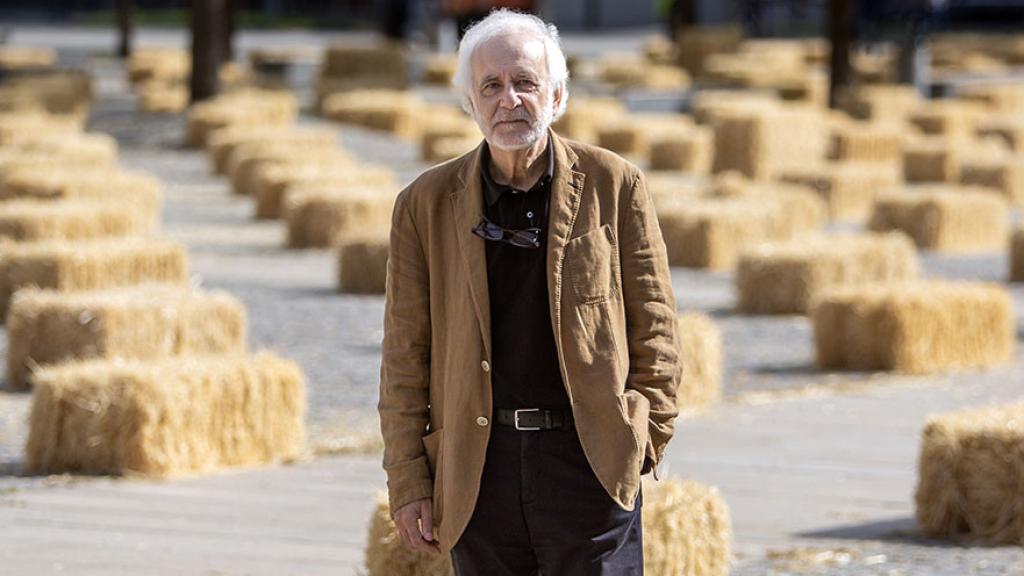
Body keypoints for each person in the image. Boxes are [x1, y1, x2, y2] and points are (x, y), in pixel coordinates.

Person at [378, 9, 681, 575]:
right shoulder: (424, 203)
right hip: (476, 471)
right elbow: (403, 355)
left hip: (588, 461)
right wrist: (408, 477)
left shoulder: (615, 184)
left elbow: (657, 325)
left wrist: (644, 433)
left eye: (525, 83)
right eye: (490, 85)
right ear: (470, 101)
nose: (508, 100)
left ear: (558, 95)